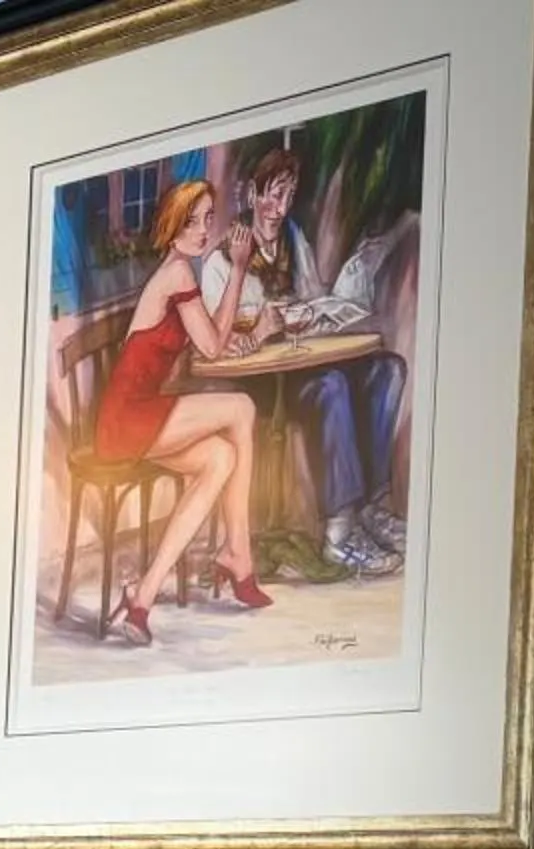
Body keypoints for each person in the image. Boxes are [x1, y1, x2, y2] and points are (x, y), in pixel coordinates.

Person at [197, 145, 408, 576]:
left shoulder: (295, 239)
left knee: (387, 370)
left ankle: (371, 506)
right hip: (257, 384)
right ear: (252, 196)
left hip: (300, 363)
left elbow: (311, 299)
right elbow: (217, 347)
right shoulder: (222, 260)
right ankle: (339, 532)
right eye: (272, 195)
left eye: (288, 196)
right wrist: (259, 331)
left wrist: (316, 313)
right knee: (332, 386)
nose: (279, 207)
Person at [92, 178, 269, 644]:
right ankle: (240, 554)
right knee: (243, 407)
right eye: (192, 220)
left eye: (208, 218)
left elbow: (214, 337)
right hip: (127, 418)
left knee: (221, 458)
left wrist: (240, 290)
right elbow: (212, 348)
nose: (202, 229)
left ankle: (142, 601)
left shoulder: (179, 274)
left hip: (139, 417)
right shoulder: (178, 273)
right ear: (172, 226)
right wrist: (236, 270)